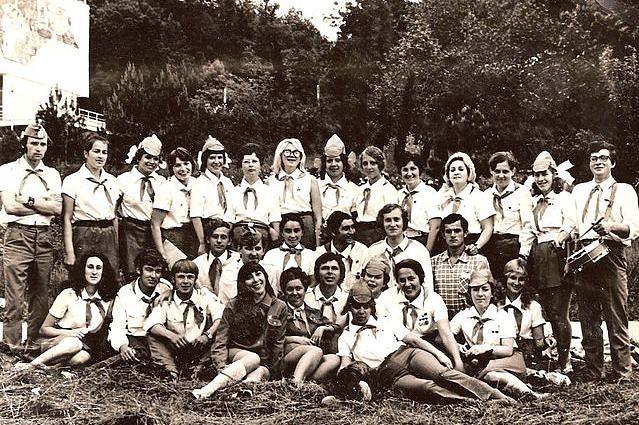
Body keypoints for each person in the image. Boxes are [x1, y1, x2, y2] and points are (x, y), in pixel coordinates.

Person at [334, 283, 509, 403]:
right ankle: (474, 401)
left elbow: (413, 339)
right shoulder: (346, 337)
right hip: (387, 373)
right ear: (349, 307)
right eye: (356, 306)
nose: (362, 311)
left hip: (407, 354)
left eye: (366, 306)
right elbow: (344, 367)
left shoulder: (385, 321)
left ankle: (494, 394)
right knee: (428, 388)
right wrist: (352, 383)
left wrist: (438, 354)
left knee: (443, 374)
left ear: (372, 306)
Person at [572, 140, 639, 381]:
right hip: (584, 253)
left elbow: (633, 227)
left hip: (611, 252)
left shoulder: (625, 190)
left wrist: (610, 226)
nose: (598, 162)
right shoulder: (579, 190)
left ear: (613, 163)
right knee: (588, 315)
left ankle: (622, 372)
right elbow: (572, 224)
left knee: (615, 314)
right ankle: (594, 371)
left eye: (603, 158)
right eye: (594, 158)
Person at [0, 123, 62, 349]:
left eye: (43, 144)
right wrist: (43, 207)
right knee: (15, 296)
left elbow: (57, 209)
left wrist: (28, 200)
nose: (38, 148)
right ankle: (12, 345)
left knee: (41, 294)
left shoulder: (52, 174)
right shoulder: (8, 170)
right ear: (24, 145)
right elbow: (10, 207)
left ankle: (33, 345)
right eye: (34, 143)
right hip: (18, 236)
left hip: (44, 237)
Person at [191, 263, 287, 399]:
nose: (255, 280)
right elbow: (221, 340)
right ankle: (207, 390)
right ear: (243, 283)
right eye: (249, 277)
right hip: (237, 353)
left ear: (265, 276)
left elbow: (278, 343)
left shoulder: (279, 306)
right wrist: (221, 366)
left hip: (263, 360)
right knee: (253, 358)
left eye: (258, 274)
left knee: (259, 372)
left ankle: (239, 394)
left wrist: (275, 373)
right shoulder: (234, 305)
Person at [450, 269, 545, 399]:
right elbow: (443, 337)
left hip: (506, 360)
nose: (480, 294)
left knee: (491, 375)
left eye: (485, 289)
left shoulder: (501, 316)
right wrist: (457, 346)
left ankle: (529, 394)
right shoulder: (463, 316)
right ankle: (510, 390)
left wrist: (486, 348)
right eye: (475, 290)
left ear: (492, 293)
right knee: (481, 375)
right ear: (469, 292)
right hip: (479, 363)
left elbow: (508, 349)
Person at [520, 151, 575, 373]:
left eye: (545, 174)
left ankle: (565, 360)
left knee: (559, 311)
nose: (541, 179)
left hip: (557, 253)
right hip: (538, 256)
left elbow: (571, 223)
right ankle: (551, 355)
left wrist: (561, 238)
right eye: (537, 175)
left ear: (554, 174)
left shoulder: (564, 198)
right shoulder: (533, 201)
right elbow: (528, 231)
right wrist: (523, 256)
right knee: (546, 310)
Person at [15, 252, 118, 369]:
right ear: (83, 269)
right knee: (74, 343)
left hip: (83, 346)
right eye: (90, 267)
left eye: (98, 268)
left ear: (103, 272)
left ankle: (50, 368)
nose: (94, 272)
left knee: (82, 358)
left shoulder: (108, 300)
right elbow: (44, 329)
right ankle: (31, 366)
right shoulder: (69, 294)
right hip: (57, 341)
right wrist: (70, 333)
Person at [377, 260, 465, 372]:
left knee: (447, 369)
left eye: (411, 278)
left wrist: (458, 362)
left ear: (421, 278)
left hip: (429, 344)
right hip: (399, 347)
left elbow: (446, 333)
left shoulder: (434, 299)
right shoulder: (386, 298)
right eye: (402, 280)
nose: (407, 284)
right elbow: (404, 337)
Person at [494, 258, 570, 386]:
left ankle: (535, 376)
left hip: (527, 356)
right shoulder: (496, 305)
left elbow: (538, 342)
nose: (516, 283)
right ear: (505, 279)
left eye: (521, 279)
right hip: (503, 354)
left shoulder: (533, 306)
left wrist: (547, 341)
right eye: (512, 278)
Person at [145, 259, 224, 379]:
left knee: (219, 332)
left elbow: (220, 318)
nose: (186, 281)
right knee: (153, 336)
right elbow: (151, 324)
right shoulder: (167, 300)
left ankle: (200, 368)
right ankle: (170, 371)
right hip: (176, 347)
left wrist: (207, 335)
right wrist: (171, 336)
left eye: (190, 277)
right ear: (173, 279)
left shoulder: (204, 295)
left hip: (200, 346)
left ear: (195, 279)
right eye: (181, 277)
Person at [61, 133, 119, 272]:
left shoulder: (112, 181)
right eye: (96, 151)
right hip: (84, 234)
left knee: (108, 275)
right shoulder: (72, 180)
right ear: (86, 153)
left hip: (108, 235)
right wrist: (70, 252)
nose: (100, 156)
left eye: (104, 152)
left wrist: (116, 245)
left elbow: (114, 215)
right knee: (82, 275)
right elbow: (67, 217)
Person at [109, 249, 172, 363]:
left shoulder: (166, 288)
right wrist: (122, 346)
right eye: (149, 270)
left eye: (158, 271)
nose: (153, 276)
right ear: (138, 270)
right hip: (135, 340)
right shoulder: (125, 293)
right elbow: (117, 325)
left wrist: (170, 292)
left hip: (159, 340)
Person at [280, 267, 341, 384]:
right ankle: (296, 383)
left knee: (334, 359)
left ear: (305, 290)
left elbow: (336, 327)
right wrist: (293, 339)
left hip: (310, 358)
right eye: (290, 289)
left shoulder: (313, 312)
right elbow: (270, 337)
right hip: (286, 356)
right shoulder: (279, 310)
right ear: (284, 291)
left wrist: (322, 328)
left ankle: (306, 384)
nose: (295, 293)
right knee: (316, 351)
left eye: (298, 288)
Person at [117, 134, 166, 278]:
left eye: (155, 159)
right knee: (132, 271)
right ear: (139, 158)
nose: (151, 162)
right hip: (131, 232)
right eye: (147, 157)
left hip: (155, 232)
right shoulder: (123, 180)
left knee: (154, 271)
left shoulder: (162, 182)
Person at [483, 152, 534, 281]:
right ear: (491, 171)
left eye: (505, 171)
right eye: (497, 171)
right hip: (491, 248)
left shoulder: (522, 193)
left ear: (513, 171)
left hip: (513, 247)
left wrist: (523, 254)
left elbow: (528, 225)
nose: (501, 175)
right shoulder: (486, 195)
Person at [431, 214, 490, 318]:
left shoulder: (478, 261)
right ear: (443, 235)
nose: (453, 235)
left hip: (469, 319)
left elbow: (484, 294)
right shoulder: (434, 262)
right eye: (448, 231)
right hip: (442, 319)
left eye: (457, 231)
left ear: (465, 233)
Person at [267, 138, 322, 249]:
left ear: (301, 157)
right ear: (280, 155)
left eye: (296, 152)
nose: (292, 155)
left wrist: (318, 241)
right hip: (280, 225)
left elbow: (318, 215)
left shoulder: (310, 180)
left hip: (305, 225)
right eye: (287, 152)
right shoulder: (270, 181)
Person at [437, 152, 494, 254]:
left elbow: (488, 227)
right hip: (446, 247)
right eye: (452, 170)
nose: (456, 173)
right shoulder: (442, 197)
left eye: (461, 169)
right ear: (448, 175)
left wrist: (476, 246)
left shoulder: (479, 197)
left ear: (469, 173)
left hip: (471, 246)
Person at [150, 147, 199, 267]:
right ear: (171, 168)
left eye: (186, 163)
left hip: (193, 237)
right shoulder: (166, 188)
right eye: (177, 165)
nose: (183, 169)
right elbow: (155, 224)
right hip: (172, 239)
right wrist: (162, 252)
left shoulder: (197, 184)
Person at [367, 204, 433, 290]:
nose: (392, 224)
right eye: (388, 220)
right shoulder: (373, 250)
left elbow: (427, 286)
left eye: (396, 219)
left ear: (403, 222)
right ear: (382, 223)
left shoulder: (419, 250)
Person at [228, 143, 281, 249]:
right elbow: (229, 219)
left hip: (263, 234)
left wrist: (276, 240)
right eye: (246, 162)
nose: (250, 165)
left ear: (260, 165)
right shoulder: (233, 192)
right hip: (239, 234)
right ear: (241, 166)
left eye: (254, 161)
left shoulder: (270, 192)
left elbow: (275, 219)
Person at [190, 136, 235, 255]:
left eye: (220, 157)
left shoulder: (227, 182)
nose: (216, 161)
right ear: (205, 160)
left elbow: (231, 210)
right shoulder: (199, 183)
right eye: (212, 158)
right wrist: (202, 242)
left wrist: (228, 232)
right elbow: (195, 215)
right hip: (208, 231)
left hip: (226, 230)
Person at [352, 146, 398, 246]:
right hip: (359, 234)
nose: (369, 167)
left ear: (380, 164)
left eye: (373, 163)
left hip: (378, 234)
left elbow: (391, 218)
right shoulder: (360, 189)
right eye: (365, 163)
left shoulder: (388, 190)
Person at [396, 152, 441, 252]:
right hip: (401, 242)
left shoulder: (430, 193)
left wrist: (426, 252)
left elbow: (435, 227)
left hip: (422, 241)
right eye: (405, 170)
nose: (409, 173)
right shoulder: (398, 195)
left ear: (419, 170)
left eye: (413, 169)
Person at [314, 211, 368, 291]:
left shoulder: (362, 251)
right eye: (346, 229)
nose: (352, 232)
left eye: (352, 227)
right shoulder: (320, 253)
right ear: (333, 232)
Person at [262, 213, 316, 292]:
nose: (293, 235)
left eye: (296, 231)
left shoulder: (311, 255)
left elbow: (313, 283)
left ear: (302, 232)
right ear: (282, 233)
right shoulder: (271, 255)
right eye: (288, 231)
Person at [192, 219, 240, 304]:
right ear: (208, 239)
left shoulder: (238, 261)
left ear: (229, 241)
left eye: (223, 237)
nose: (219, 241)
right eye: (215, 236)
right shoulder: (197, 263)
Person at [318, 134, 358, 221]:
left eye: (337, 160)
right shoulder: (315, 186)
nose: (333, 164)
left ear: (344, 163)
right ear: (324, 164)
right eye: (329, 161)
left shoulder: (354, 190)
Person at [305, 252, 349, 326]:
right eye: (325, 268)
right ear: (317, 272)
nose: (330, 272)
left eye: (334, 268)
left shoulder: (347, 298)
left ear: (341, 273)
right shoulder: (306, 298)